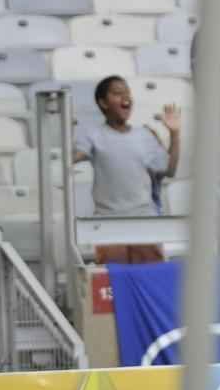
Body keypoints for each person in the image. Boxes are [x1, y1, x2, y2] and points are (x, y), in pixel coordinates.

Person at [72, 76, 180, 264]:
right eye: (117, 93)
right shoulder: (92, 134)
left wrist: (175, 134)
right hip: (108, 224)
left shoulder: (145, 134)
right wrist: (65, 129)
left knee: (150, 277)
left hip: (145, 221)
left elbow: (169, 170)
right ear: (103, 103)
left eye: (127, 93)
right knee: (114, 278)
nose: (126, 97)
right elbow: (73, 157)